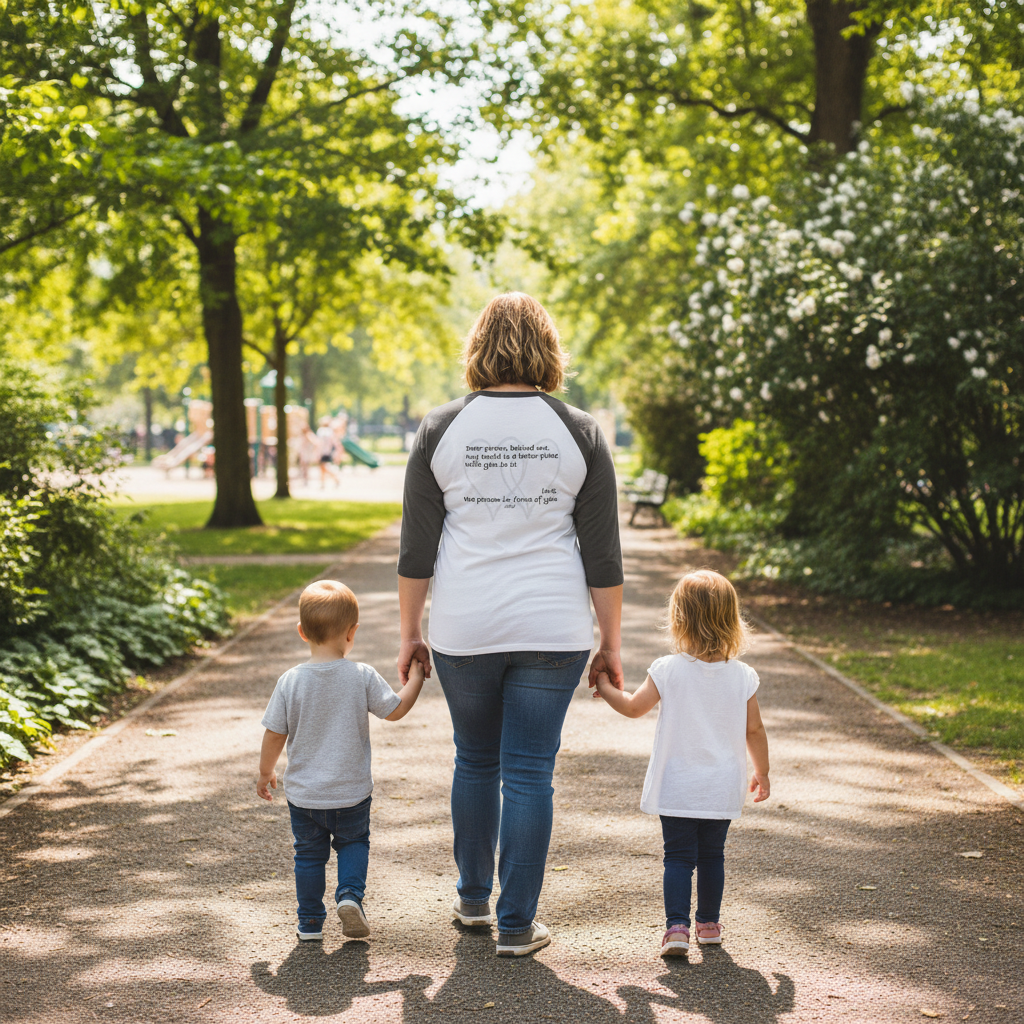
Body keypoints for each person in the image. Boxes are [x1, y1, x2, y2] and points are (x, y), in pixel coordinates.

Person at [397, 292, 624, 957]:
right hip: (552, 628)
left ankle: (472, 900)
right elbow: (603, 556)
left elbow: (416, 549)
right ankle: (517, 924)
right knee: (528, 772)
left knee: (475, 758)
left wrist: (411, 631)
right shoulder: (578, 429)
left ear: (478, 347)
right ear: (549, 348)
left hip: (464, 624)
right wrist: (610, 643)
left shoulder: (440, 428)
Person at [593, 569, 771, 958]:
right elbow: (754, 730)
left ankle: (676, 928)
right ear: (731, 620)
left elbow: (634, 707)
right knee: (712, 855)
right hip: (721, 784)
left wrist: (606, 687)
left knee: (677, 857)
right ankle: (709, 924)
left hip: (677, 784)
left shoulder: (668, 669)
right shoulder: (743, 676)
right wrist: (763, 771)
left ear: (679, 619)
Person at [256, 580, 425, 942]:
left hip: (304, 796)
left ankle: (310, 923)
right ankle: (349, 896)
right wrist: (416, 678)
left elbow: (274, 733)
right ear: (353, 633)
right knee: (353, 844)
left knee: (309, 856)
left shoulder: (290, 681)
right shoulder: (360, 675)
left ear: (302, 632)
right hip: (351, 791)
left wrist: (265, 771)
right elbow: (394, 710)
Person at [316, 415, 341, 488]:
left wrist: (317, 453)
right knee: (322, 468)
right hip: (328, 452)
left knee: (323, 468)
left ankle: (335, 479)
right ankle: (323, 483)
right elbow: (335, 442)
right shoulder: (330, 431)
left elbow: (319, 443)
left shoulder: (320, 431)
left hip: (322, 452)